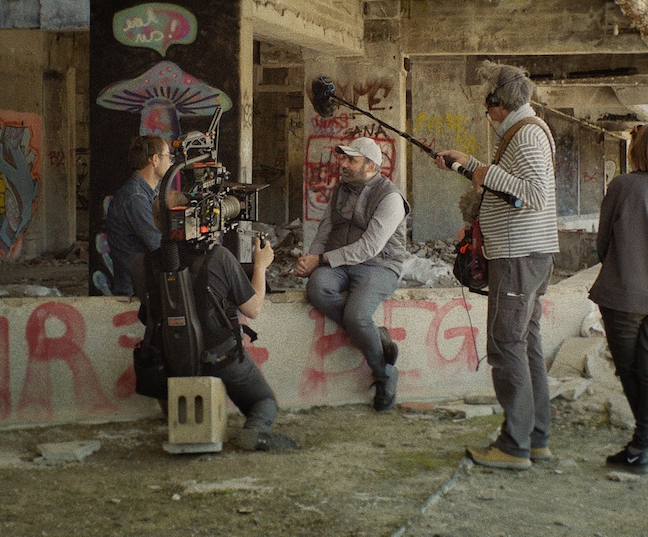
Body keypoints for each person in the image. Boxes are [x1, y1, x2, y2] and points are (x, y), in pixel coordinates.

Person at [434, 62, 557, 470]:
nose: (486, 113)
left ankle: (513, 445)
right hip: (528, 255)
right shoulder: (523, 133)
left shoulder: (527, 137)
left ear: (497, 102)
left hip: (519, 258)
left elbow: (534, 195)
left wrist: (484, 172)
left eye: (487, 104)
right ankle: (534, 438)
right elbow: (511, 186)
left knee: (505, 346)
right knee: (526, 344)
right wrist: (470, 165)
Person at [134, 193, 296, 451]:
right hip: (220, 358)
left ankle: (181, 420)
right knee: (264, 402)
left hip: (169, 361)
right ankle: (253, 431)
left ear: (155, 224)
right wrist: (261, 267)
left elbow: (147, 316)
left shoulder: (145, 264)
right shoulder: (219, 257)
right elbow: (253, 309)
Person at [589, 124, 648, 474]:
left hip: (624, 293)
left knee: (631, 372)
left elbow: (603, 242)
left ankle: (640, 448)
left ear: (636, 150)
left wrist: (618, 264)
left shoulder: (622, 186)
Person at [294, 137, 408, 412]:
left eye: (351, 160)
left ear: (370, 166)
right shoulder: (341, 189)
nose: (342, 164)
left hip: (379, 265)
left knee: (357, 315)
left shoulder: (390, 197)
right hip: (340, 263)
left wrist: (322, 259)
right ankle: (375, 335)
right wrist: (312, 260)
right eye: (343, 158)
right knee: (317, 289)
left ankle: (384, 374)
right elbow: (325, 228)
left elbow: (370, 247)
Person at [106, 135, 173, 295]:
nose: (171, 162)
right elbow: (158, 242)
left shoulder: (147, 193)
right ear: (155, 159)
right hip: (137, 292)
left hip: (145, 285)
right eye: (168, 156)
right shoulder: (135, 198)